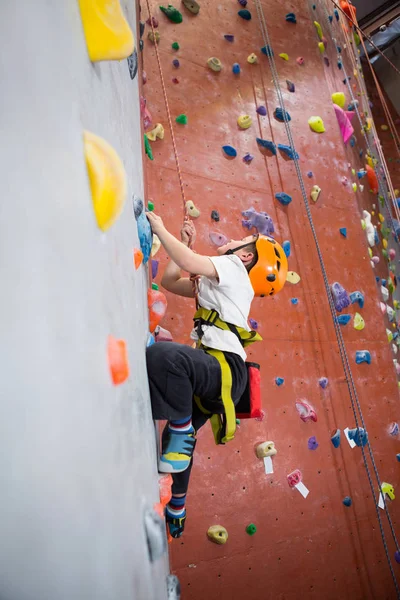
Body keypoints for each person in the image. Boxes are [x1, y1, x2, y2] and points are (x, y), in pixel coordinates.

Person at [146, 212, 287, 538]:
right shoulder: (224, 282)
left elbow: (190, 261)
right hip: (219, 374)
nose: (234, 240)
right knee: (175, 439)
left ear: (246, 256)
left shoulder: (234, 268)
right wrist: (181, 242)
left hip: (222, 368)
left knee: (164, 358)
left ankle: (181, 434)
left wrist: (161, 230)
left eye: (241, 240)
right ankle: (177, 507)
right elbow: (170, 281)